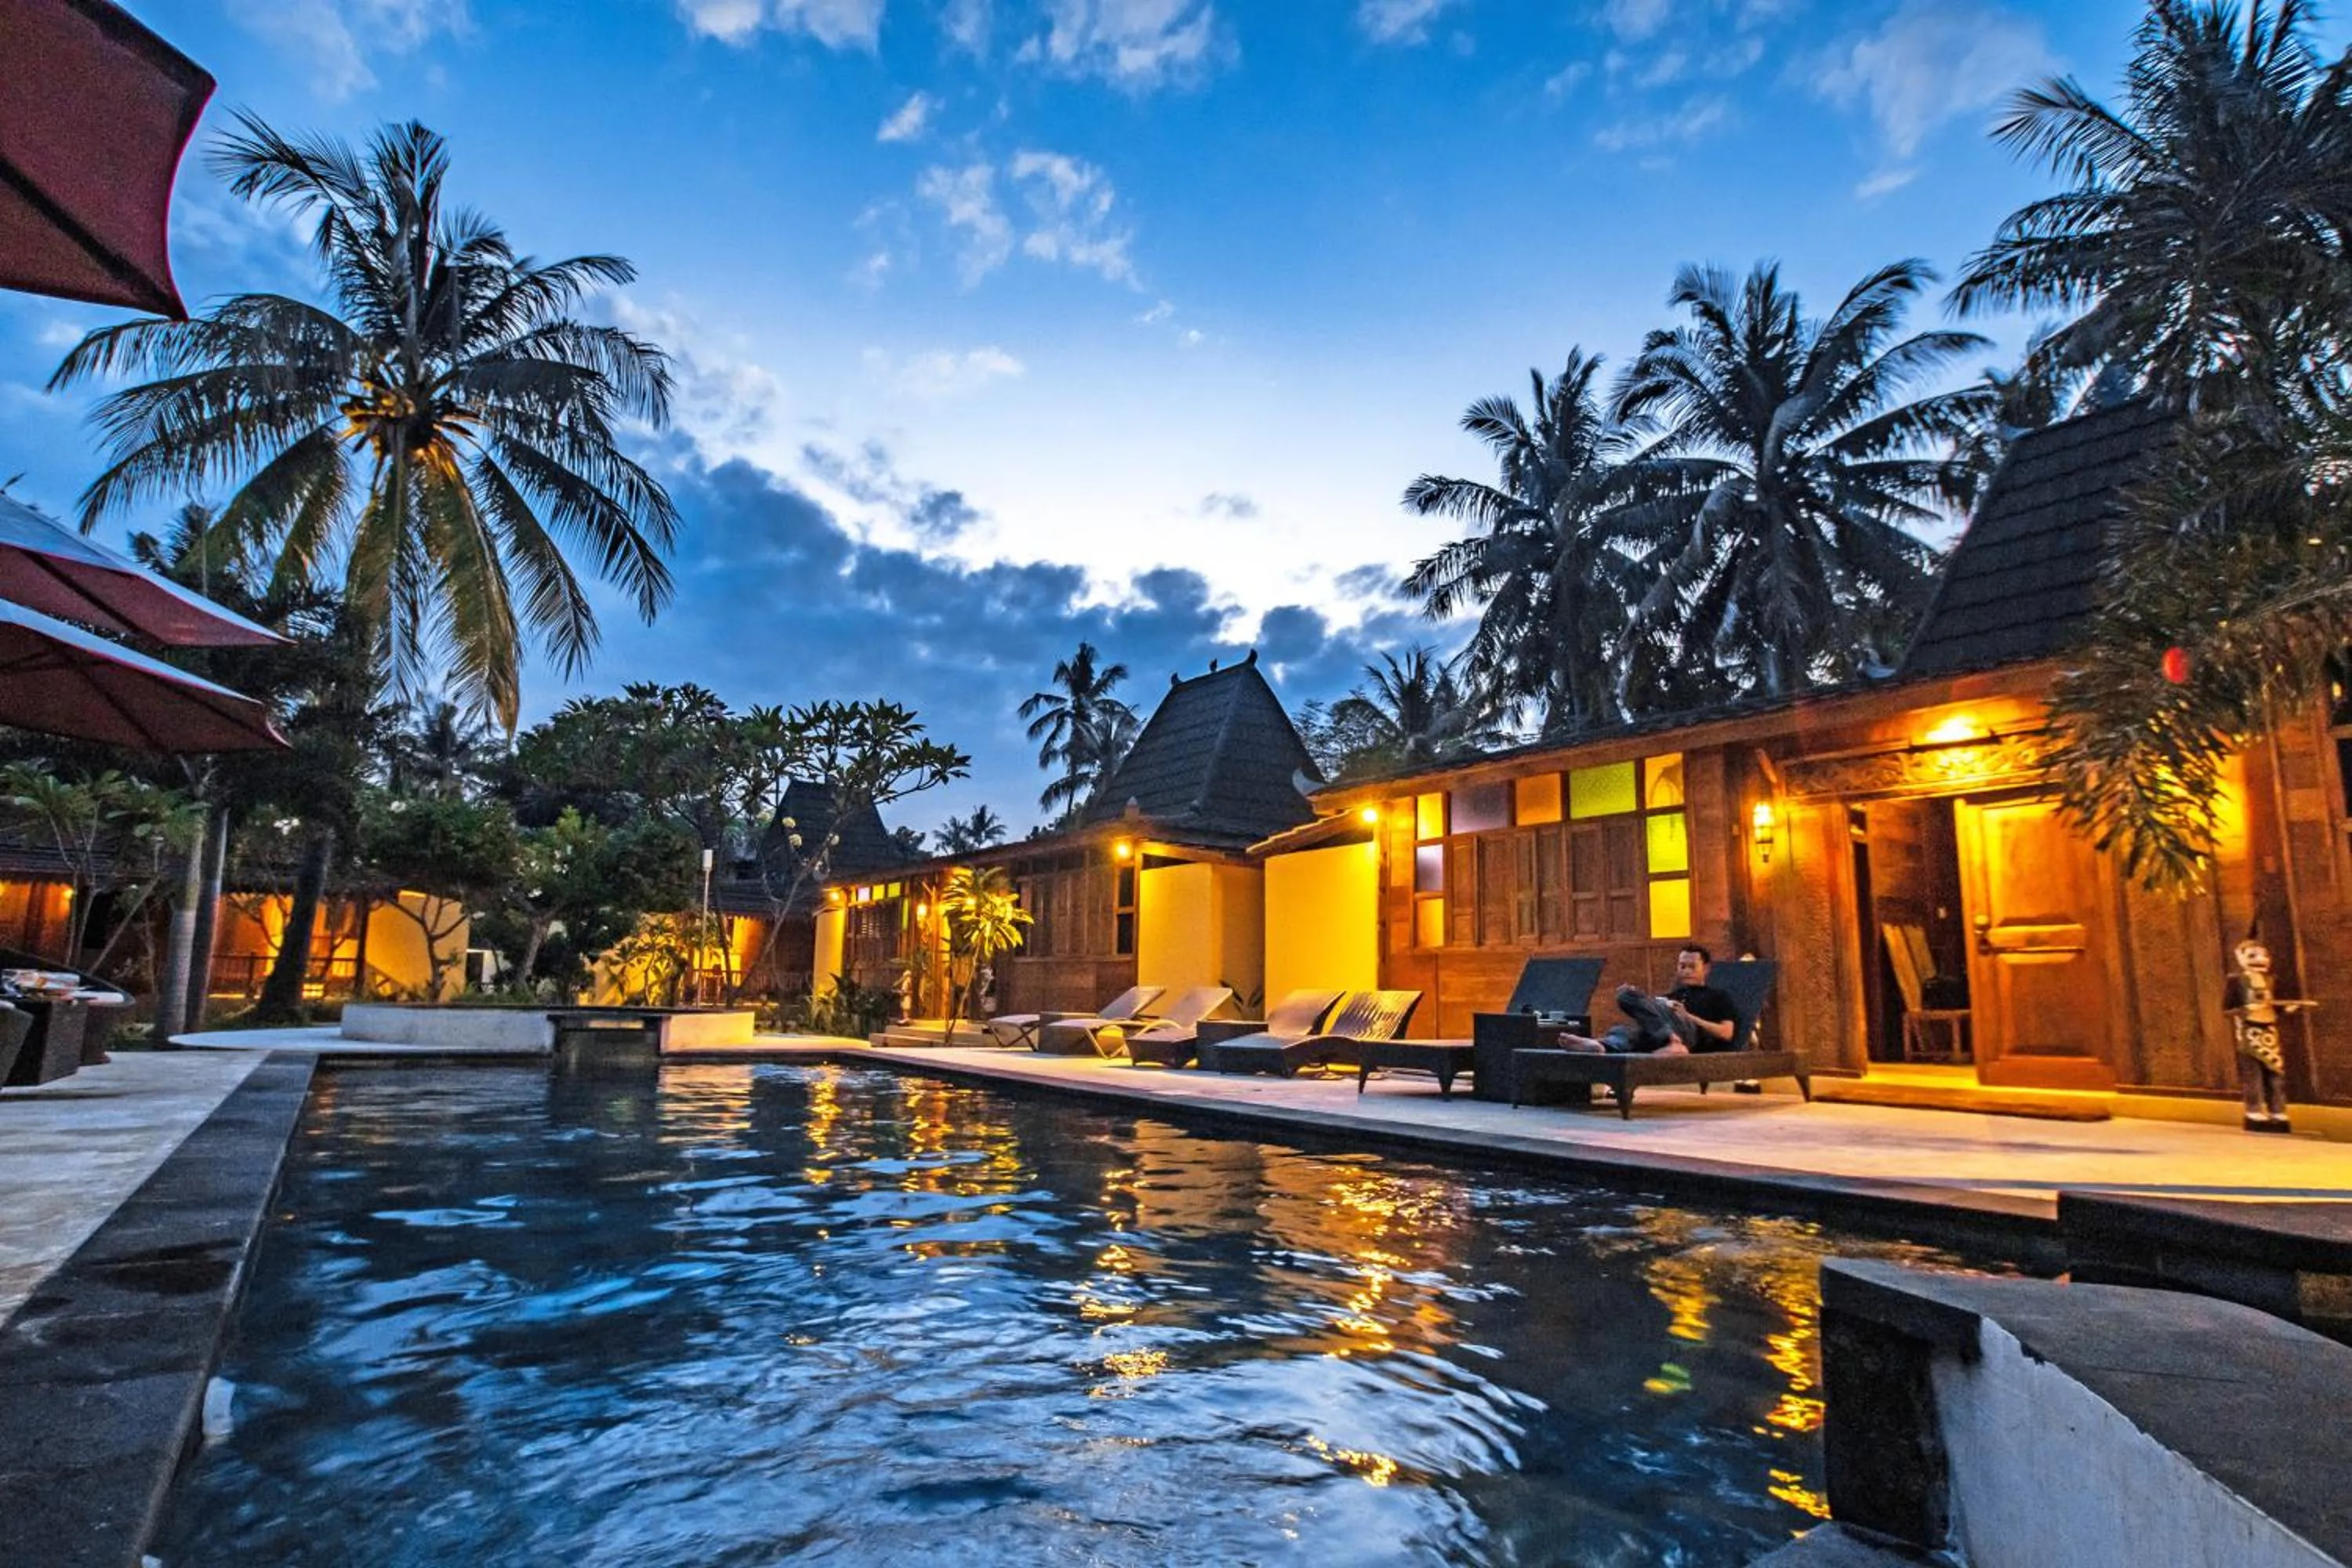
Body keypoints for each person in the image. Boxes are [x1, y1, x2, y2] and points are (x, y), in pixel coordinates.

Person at [1564, 945, 1737, 1055]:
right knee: (1624, 1026)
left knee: (1627, 996)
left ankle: (1674, 1041)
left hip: (1691, 1035)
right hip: (1660, 1033)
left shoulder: (1718, 996)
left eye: (1692, 967)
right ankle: (1601, 1046)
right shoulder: (1673, 995)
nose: (1686, 971)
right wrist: (1648, 1002)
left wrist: (1688, 1016)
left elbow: (1726, 1033)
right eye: (1682, 966)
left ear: (1706, 969)